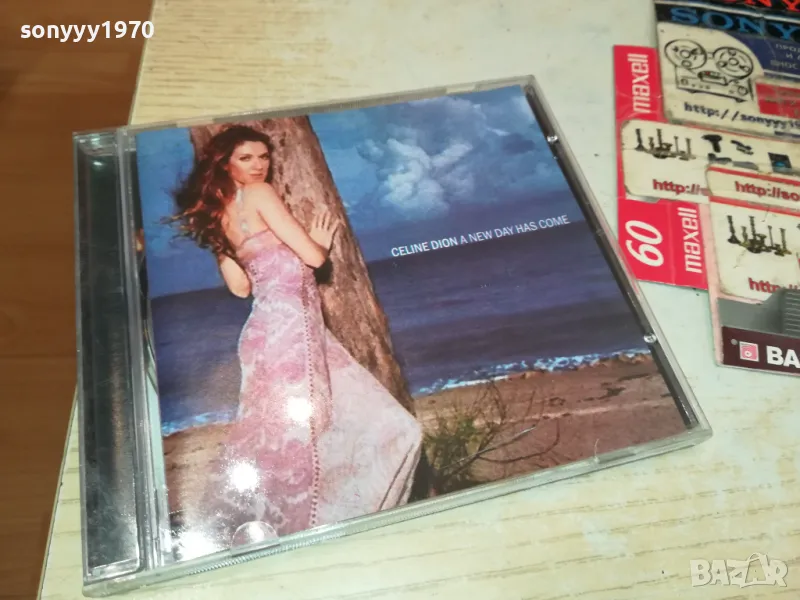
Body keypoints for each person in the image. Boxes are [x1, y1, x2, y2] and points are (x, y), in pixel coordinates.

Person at [166, 124, 422, 555]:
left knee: (291, 443)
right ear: (225, 163)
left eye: (263, 157)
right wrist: (317, 243)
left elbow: (241, 288)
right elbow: (313, 257)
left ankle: (306, 529)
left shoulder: (220, 216)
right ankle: (321, 531)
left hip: (266, 336)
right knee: (325, 438)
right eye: (246, 158)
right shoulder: (260, 193)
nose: (258, 166)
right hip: (290, 334)